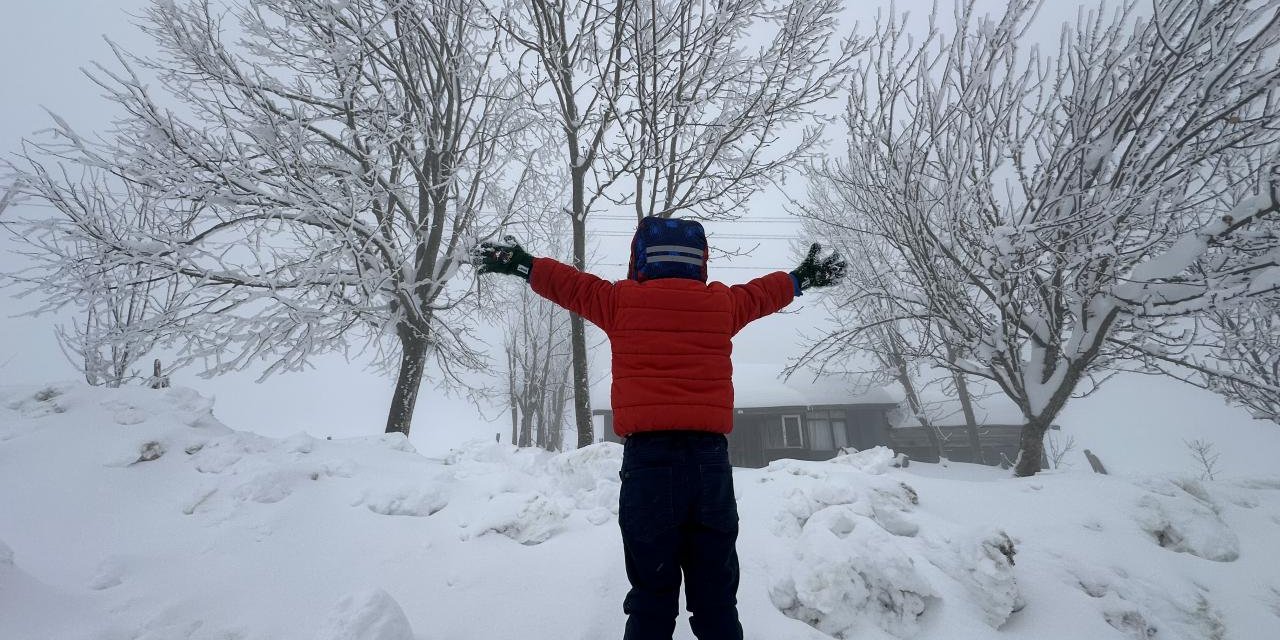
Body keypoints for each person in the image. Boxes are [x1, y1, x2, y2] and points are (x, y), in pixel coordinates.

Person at [472, 217, 846, 640]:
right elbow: (764, 294)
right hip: (710, 466)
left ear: (640, 258)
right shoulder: (720, 304)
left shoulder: (621, 301)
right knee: (716, 601)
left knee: (651, 600)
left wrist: (521, 263)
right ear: (700, 260)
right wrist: (802, 278)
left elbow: (569, 285)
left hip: (648, 466)